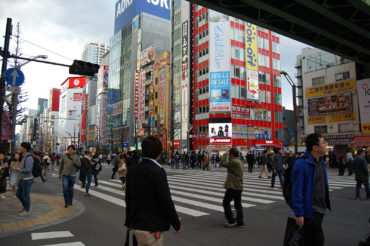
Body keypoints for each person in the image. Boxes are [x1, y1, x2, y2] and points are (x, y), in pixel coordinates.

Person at [125, 136, 182, 245]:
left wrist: (128, 221)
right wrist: (176, 224)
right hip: (152, 228)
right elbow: (165, 200)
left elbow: (128, 198)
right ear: (159, 153)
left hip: (136, 226)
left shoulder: (133, 170)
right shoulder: (157, 171)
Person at [290, 133, 331, 246]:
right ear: (315, 147)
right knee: (317, 239)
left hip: (320, 207)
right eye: (323, 143)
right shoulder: (302, 164)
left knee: (311, 239)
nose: (325, 145)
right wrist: (299, 213)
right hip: (311, 210)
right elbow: (297, 190)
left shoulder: (320, 161)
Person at [220, 148, 244, 228]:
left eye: (229, 154)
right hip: (239, 186)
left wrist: (225, 154)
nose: (229, 155)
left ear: (232, 155)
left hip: (233, 186)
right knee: (238, 204)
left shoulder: (233, 162)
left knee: (226, 202)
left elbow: (222, 163)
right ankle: (240, 221)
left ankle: (231, 220)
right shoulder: (240, 161)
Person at [15, 142, 34, 216]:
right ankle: (26, 206)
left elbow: (28, 169)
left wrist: (19, 169)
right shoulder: (24, 156)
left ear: (25, 149)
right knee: (18, 194)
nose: (20, 148)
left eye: (21, 146)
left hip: (27, 179)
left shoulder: (29, 158)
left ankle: (27, 210)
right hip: (22, 179)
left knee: (26, 195)